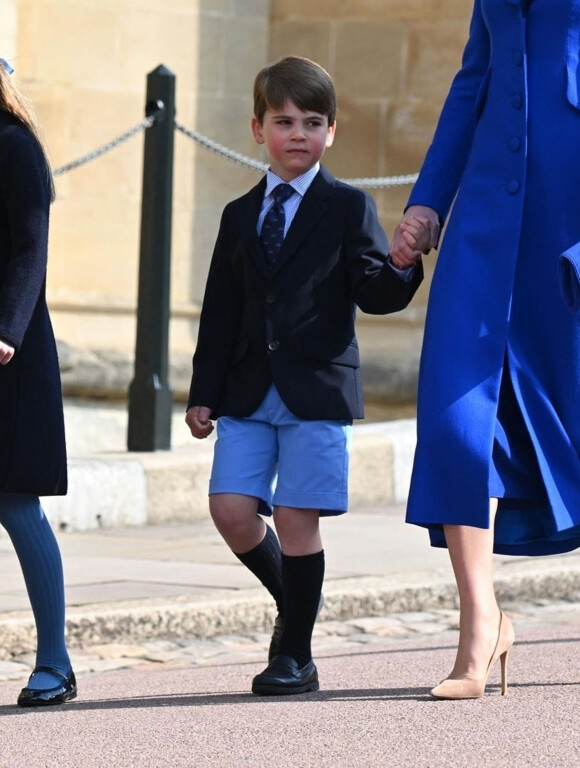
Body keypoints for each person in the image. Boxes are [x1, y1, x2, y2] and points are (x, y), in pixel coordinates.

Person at [186, 55, 423, 695]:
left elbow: (375, 293)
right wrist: (203, 392)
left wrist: (402, 263)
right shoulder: (239, 215)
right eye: (284, 121)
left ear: (332, 132)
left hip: (316, 389)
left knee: (296, 521)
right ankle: (299, 605)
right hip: (245, 388)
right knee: (232, 510)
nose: (299, 134)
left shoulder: (348, 207)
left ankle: (294, 652)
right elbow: (221, 311)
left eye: (313, 122)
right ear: (258, 129)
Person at [390, 0, 580, 699]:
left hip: (568, 224)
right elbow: (473, 82)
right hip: (486, 225)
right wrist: (427, 202)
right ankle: (480, 626)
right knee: (454, 417)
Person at [0, 58, 76, 706]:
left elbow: (31, 246)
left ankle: (55, 660)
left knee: (15, 503)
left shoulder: (15, 146)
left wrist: (7, 330)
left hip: (8, 357)